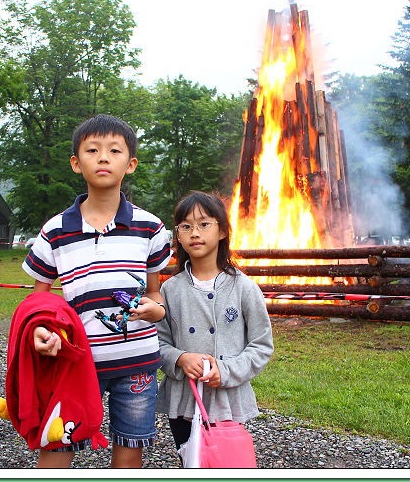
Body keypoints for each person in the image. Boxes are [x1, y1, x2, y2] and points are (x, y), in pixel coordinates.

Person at [22, 114, 171, 468]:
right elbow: (37, 302)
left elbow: (156, 293)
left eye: (114, 150)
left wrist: (157, 310)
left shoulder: (151, 228)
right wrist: (40, 331)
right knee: (57, 443)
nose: (103, 157)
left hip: (136, 363)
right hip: (74, 361)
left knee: (129, 447)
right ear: (76, 162)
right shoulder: (55, 231)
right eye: (92, 149)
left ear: (130, 164)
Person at [155, 191, 274, 460]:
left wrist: (226, 370)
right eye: (186, 226)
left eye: (204, 224)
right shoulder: (170, 290)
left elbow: (261, 345)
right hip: (185, 398)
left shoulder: (243, 288)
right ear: (178, 236)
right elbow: (158, 343)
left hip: (227, 400)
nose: (194, 233)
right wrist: (181, 358)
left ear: (222, 230)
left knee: (225, 461)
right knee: (192, 461)